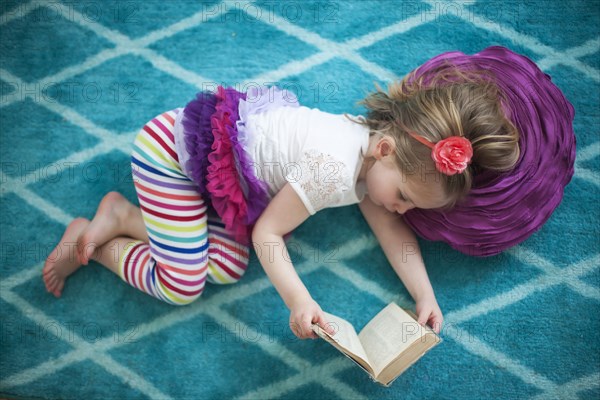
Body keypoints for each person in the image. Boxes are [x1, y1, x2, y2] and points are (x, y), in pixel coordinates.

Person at [42, 45, 575, 340]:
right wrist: (302, 302)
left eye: (412, 205)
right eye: (407, 197)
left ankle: (122, 223)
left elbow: (391, 227)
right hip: (170, 158)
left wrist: (424, 294)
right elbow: (267, 232)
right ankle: (101, 235)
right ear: (387, 150)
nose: (403, 211)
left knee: (225, 268)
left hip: (210, 171)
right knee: (182, 284)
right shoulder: (333, 166)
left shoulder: (373, 158)